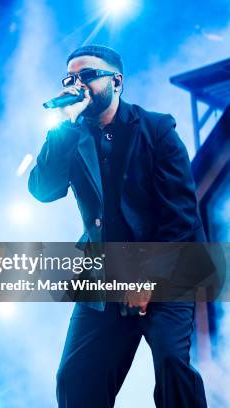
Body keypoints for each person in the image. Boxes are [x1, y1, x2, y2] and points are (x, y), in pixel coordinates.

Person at [28, 45, 207, 407]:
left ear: (117, 81)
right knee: (75, 379)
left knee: (173, 366)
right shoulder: (72, 136)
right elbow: (44, 190)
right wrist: (63, 125)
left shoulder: (157, 129)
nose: (78, 84)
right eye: (71, 78)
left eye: (88, 75)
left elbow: (181, 218)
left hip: (167, 269)